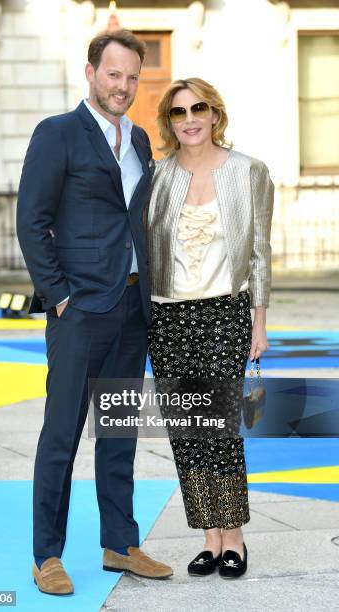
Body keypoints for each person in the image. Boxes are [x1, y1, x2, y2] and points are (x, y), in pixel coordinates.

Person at [16, 29, 173, 596]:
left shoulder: (139, 141)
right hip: (79, 309)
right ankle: (47, 555)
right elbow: (31, 221)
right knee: (61, 433)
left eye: (133, 77)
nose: (124, 86)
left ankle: (119, 543)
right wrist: (58, 296)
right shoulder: (57, 133)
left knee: (120, 433)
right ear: (91, 73)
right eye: (114, 74)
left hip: (132, 307)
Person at [146, 78, 274, 579]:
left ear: (215, 114)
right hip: (168, 315)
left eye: (198, 108)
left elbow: (261, 251)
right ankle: (207, 536)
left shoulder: (248, 171)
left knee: (220, 429)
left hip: (224, 313)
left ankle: (234, 537)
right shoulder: (159, 176)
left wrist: (258, 322)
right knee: (187, 431)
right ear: (170, 122)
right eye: (179, 112)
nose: (190, 119)